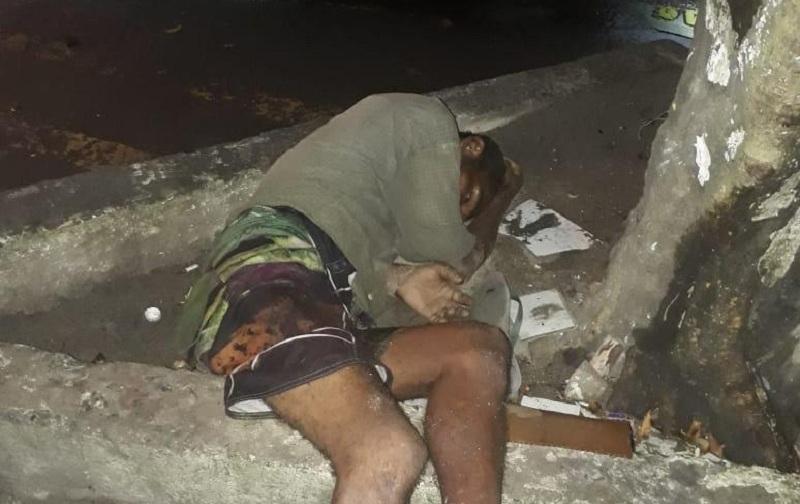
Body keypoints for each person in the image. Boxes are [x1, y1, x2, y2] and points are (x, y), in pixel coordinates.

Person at [175, 93, 523, 504]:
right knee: (389, 453)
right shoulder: (424, 119)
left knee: (480, 350)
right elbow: (444, 247)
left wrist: (398, 279)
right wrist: (503, 195)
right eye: (466, 197)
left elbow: (367, 274)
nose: (456, 211)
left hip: (325, 310)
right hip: (268, 265)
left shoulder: (373, 213)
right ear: (472, 147)